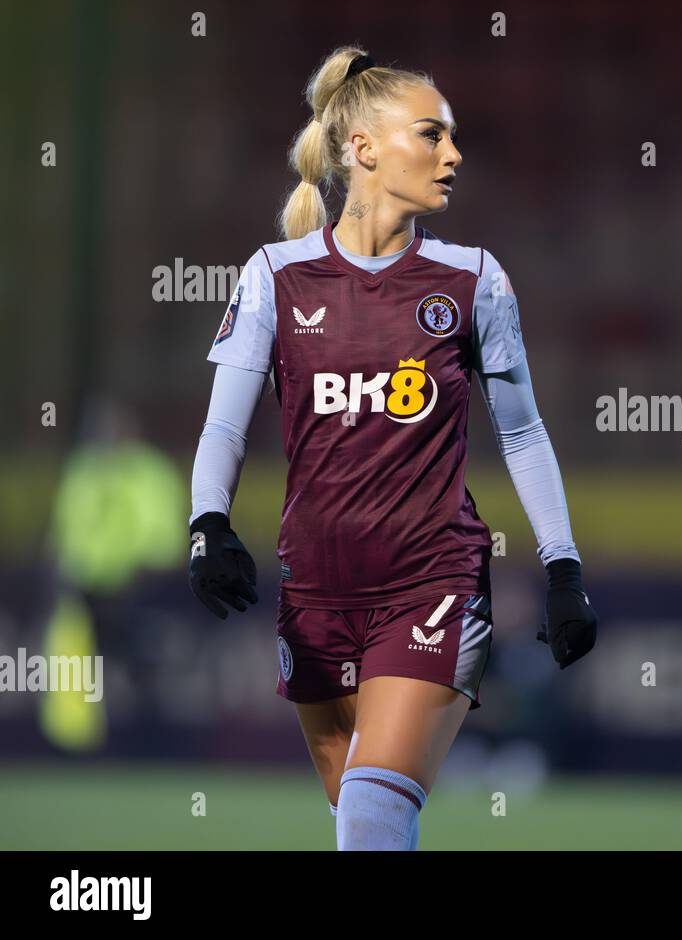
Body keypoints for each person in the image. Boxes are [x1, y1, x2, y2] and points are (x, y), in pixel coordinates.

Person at [186, 46, 597, 850]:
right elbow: (224, 427)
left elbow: (522, 429)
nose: (454, 154)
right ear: (363, 148)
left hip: (432, 585)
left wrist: (563, 565)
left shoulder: (474, 281)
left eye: (453, 137)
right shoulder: (276, 275)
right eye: (431, 134)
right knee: (362, 829)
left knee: (373, 813)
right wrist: (208, 524)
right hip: (314, 598)